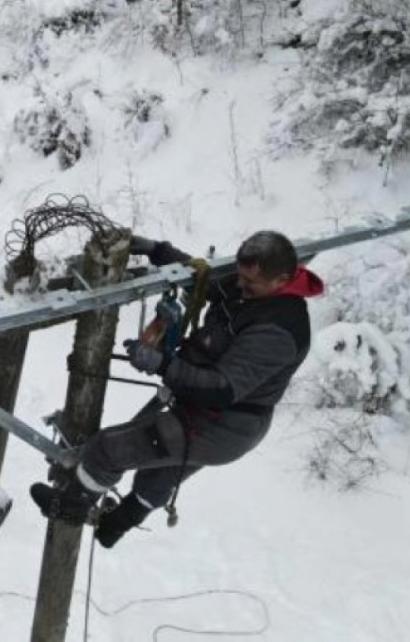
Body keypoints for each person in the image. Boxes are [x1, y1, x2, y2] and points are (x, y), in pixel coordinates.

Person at [31, 231, 324, 548]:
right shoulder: (252, 289)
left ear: (282, 279)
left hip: (220, 425)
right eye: (240, 277)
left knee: (109, 449)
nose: (239, 285)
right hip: (210, 413)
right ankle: (116, 525)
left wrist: (162, 365)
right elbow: (206, 279)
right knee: (158, 475)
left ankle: (70, 506)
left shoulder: (279, 330)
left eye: (249, 282)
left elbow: (222, 388)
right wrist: (158, 251)